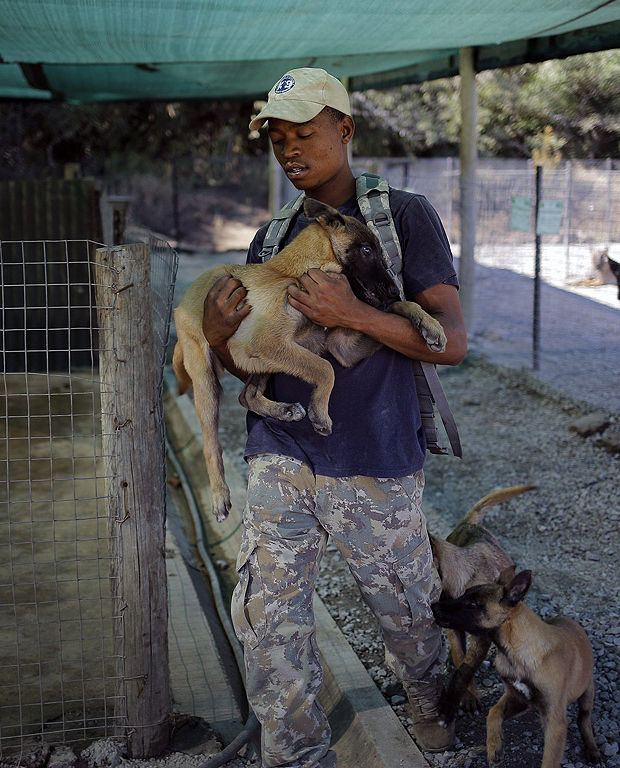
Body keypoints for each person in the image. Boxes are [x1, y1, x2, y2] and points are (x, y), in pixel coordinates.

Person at [202, 67, 467, 768]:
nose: (290, 151)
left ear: (345, 130)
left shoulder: (403, 218)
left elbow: (453, 343)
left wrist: (351, 313)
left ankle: (428, 699)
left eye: (305, 134)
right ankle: (294, 750)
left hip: (374, 456)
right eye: (278, 140)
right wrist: (215, 334)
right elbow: (252, 364)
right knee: (267, 616)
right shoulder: (271, 239)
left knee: (406, 610)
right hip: (280, 454)